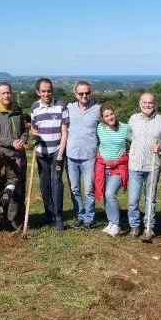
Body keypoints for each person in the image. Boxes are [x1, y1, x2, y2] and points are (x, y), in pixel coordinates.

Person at [0, 82, 28, 230]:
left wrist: (23, 139)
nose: (6, 95)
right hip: (2, 157)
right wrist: (11, 142)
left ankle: (15, 221)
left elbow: (24, 130)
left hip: (19, 157)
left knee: (18, 190)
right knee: (2, 188)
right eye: (3, 93)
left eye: (8, 92)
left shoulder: (18, 110)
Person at [127, 93, 161, 240]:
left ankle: (148, 227)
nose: (147, 105)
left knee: (150, 199)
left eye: (150, 102)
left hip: (153, 165)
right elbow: (128, 138)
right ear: (140, 103)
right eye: (144, 102)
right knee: (133, 199)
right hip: (135, 165)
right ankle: (134, 226)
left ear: (154, 104)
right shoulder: (133, 119)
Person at [30, 78, 68, 231]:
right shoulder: (34, 107)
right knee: (44, 185)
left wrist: (60, 154)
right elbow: (34, 129)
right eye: (43, 91)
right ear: (38, 92)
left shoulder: (60, 105)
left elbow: (64, 131)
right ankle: (48, 215)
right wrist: (33, 134)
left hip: (56, 152)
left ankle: (58, 218)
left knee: (56, 184)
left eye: (49, 90)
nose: (47, 94)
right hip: (41, 154)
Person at [66, 80, 100, 229]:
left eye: (87, 93)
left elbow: (109, 124)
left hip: (89, 156)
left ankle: (89, 218)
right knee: (74, 188)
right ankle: (79, 215)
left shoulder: (97, 110)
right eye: (81, 93)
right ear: (75, 94)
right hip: (71, 155)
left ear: (90, 93)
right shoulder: (68, 108)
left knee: (89, 189)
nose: (84, 95)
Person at [94, 105, 131, 237]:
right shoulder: (100, 128)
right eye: (106, 116)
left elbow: (136, 142)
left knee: (110, 194)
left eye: (111, 114)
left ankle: (116, 224)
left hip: (118, 168)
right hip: (103, 167)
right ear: (103, 119)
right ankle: (110, 222)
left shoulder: (125, 128)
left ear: (115, 113)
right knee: (106, 195)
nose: (110, 117)